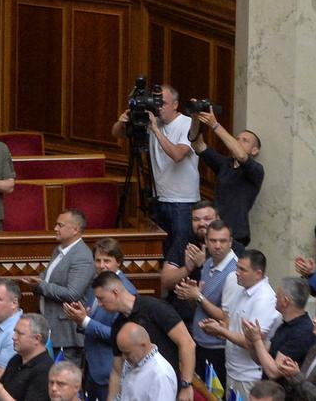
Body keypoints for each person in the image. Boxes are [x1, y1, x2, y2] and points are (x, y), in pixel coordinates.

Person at [111, 84, 199, 263]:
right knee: (162, 252)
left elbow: (177, 155)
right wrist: (124, 119)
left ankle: (179, 290)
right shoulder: (151, 121)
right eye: (156, 102)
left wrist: (156, 130)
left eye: (163, 103)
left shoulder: (187, 124)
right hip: (160, 199)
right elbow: (116, 133)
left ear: (175, 104)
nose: (158, 107)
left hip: (183, 202)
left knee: (180, 254)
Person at [91, 271, 194, 401]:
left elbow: (187, 342)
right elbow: (117, 370)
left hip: (166, 387)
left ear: (115, 293)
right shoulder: (118, 325)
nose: (99, 304)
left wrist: (186, 385)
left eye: (101, 298)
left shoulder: (155, 308)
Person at [62, 238, 138, 399]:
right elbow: (93, 320)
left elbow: (119, 336)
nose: (101, 265)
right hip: (92, 367)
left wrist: (86, 321)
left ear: (118, 262)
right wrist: (82, 318)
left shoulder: (126, 291)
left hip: (110, 372)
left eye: (107, 261)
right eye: (97, 260)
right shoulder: (97, 284)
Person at [198, 250, 280, 398]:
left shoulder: (264, 299)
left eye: (242, 269)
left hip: (248, 376)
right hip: (232, 370)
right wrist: (217, 328)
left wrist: (222, 332)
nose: (236, 272)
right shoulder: (241, 290)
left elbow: (252, 342)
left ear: (258, 274)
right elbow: (232, 327)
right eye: (237, 267)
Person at [19, 209, 94, 365]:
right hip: (52, 331)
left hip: (66, 337)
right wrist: (37, 281)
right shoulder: (59, 250)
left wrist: (40, 286)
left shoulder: (82, 256)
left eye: (60, 225)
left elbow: (73, 293)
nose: (55, 229)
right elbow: (48, 277)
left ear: (75, 229)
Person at [171, 219, 238, 384]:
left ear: (230, 242)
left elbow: (224, 316)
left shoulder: (234, 273)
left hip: (217, 348)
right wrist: (191, 294)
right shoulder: (208, 263)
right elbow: (199, 306)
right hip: (200, 342)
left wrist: (198, 296)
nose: (217, 245)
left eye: (222, 241)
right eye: (213, 240)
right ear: (206, 242)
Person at [189, 106, 264, 246]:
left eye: (245, 140)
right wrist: (195, 119)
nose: (238, 142)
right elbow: (198, 145)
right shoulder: (225, 164)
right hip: (213, 232)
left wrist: (215, 125)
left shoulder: (256, 170)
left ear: (255, 150)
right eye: (237, 139)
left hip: (235, 235)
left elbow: (241, 155)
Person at [243, 276, 316, 381]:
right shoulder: (284, 323)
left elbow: (274, 372)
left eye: (277, 296)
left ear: (285, 301)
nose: (275, 298)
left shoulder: (302, 332)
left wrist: (257, 340)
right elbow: (261, 359)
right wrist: (251, 341)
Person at [0, 314, 53, 401]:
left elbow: (0, 391)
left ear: (37, 339)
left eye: (20, 334)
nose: (13, 337)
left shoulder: (45, 370)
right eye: (14, 331)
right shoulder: (16, 359)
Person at [114, 322, 178, 401]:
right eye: (122, 352)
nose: (124, 357)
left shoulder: (161, 375)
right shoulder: (132, 362)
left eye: (127, 353)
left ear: (143, 345)